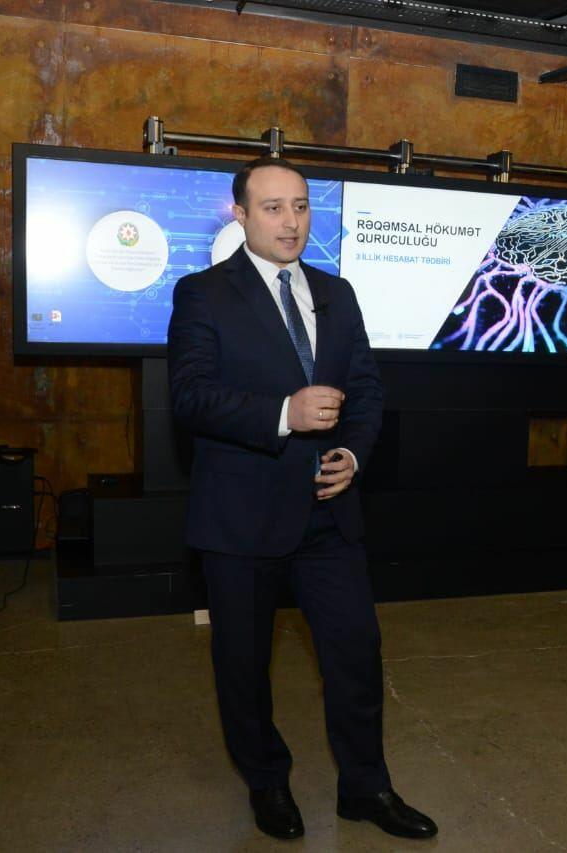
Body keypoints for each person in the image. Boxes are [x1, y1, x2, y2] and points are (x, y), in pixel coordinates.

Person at [166, 158, 437, 842]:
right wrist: (283, 413)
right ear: (240, 214)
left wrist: (354, 454)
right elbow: (190, 396)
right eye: (273, 208)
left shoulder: (336, 292)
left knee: (356, 655)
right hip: (241, 519)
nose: (290, 222)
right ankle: (267, 781)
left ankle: (366, 788)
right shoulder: (202, 294)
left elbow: (366, 389)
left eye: (301, 206)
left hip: (327, 514)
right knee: (243, 666)